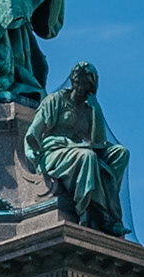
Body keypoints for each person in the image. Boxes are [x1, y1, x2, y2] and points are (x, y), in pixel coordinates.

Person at [24, 61, 130, 235]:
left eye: (86, 84)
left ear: (92, 86)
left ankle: (108, 208)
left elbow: (98, 142)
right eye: (78, 82)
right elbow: (33, 132)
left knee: (121, 153)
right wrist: (31, 151)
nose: (81, 87)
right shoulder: (56, 100)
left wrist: (95, 109)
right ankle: (91, 212)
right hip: (53, 152)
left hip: (78, 150)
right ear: (73, 82)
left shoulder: (89, 108)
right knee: (87, 157)